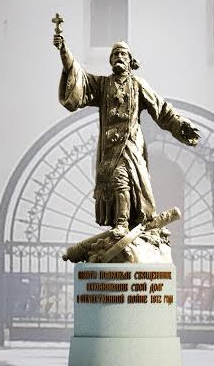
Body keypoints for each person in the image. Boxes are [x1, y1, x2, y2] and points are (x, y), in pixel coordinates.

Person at [54, 35, 199, 237]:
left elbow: (161, 108)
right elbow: (78, 76)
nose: (119, 57)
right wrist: (64, 51)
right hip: (109, 148)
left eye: (123, 54)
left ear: (130, 61)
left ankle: (124, 224)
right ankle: (123, 223)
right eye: (115, 54)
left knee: (125, 179)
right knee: (116, 181)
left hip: (131, 143)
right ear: (111, 60)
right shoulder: (103, 85)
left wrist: (180, 125)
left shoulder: (138, 84)